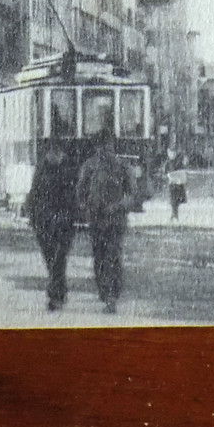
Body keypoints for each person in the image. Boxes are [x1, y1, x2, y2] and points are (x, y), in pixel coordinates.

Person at [75, 134, 134, 313]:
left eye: (107, 146)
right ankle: (104, 291)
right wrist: (86, 208)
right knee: (99, 257)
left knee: (112, 257)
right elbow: (80, 191)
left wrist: (118, 206)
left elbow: (132, 193)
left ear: (112, 146)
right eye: (101, 146)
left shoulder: (123, 166)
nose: (104, 150)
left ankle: (111, 295)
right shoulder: (89, 166)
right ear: (96, 148)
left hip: (115, 220)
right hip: (96, 220)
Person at [25, 141, 77, 312]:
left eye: (56, 151)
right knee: (51, 259)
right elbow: (34, 193)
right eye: (51, 151)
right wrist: (32, 215)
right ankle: (59, 290)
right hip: (45, 221)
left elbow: (73, 196)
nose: (53, 154)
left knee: (58, 259)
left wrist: (74, 215)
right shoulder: (42, 169)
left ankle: (55, 295)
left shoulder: (68, 169)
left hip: (62, 221)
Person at [166, 149, 189, 221]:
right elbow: (165, 171)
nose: (172, 155)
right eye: (170, 153)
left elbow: (183, 170)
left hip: (179, 184)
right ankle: (174, 213)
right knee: (173, 199)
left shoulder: (179, 162)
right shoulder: (168, 162)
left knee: (177, 199)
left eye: (173, 153)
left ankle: (175, 213)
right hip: (172, 184)